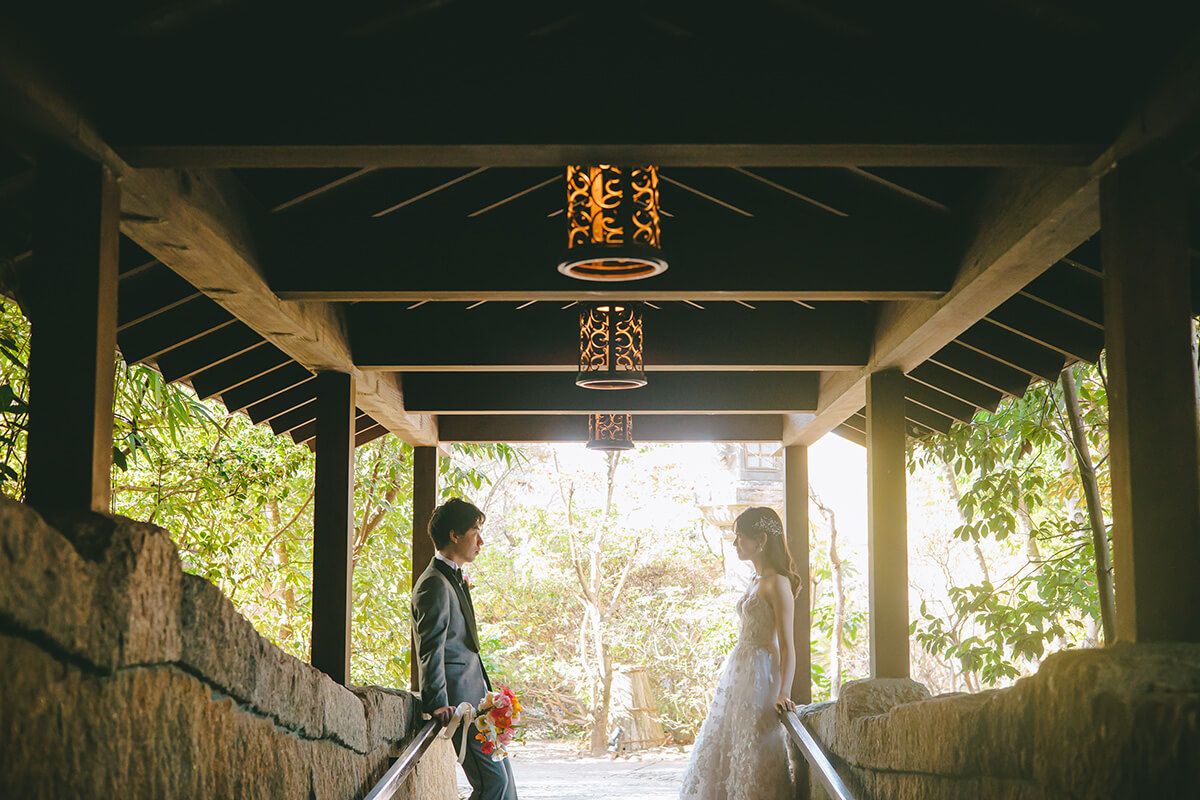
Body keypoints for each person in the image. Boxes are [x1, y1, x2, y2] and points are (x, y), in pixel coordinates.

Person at [679, 506, 799, 800]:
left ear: (761, 540)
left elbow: (787, 644)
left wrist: (783, 692)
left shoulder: (777, 582)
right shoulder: (755, 579)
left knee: (754, 744)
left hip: (762, 671)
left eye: (740, 538)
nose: (735, 545)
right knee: (729, 740)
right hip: (740, 668)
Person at [412, 497, 518, 800]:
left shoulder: (452, 578)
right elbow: (432, 647)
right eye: (475, 531)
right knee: (493, 785)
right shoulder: (434, 584)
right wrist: (437, 701)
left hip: (478, 700)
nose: (481, 541)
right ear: (454, 535)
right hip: (461, 706)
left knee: (506, 785)